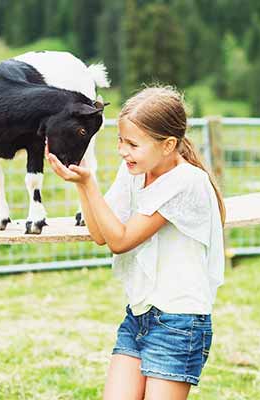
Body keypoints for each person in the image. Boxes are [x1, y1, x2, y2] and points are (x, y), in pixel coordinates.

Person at [46, 86, 225, 400]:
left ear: (168, 144)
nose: (122, 151)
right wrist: (83, 185)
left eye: (132, 144)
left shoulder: (186, 182)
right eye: (120, 140)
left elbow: (121, 240)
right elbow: (101, 233)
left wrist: (89, 183)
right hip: (139, 315)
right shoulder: (134, 171)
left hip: (179, 321)